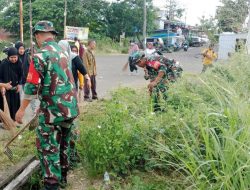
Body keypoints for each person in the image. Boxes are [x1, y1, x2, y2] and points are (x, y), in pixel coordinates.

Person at [15, 20, 79, 190]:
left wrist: (21, 110)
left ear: (38, 35)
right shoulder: (64, 52)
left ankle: (52, 185)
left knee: (48, 148)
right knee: (64, 144)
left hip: (52, 113)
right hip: (70, 109)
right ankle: (63, 179)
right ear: (52, 35)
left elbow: (31, 87)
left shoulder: (39, 56)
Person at [0, 47, 22, 120]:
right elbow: (0, 77)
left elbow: (21, 75)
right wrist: (3, 86)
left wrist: (19, 84)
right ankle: (6, 121)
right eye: (11, 57)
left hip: (15, 89)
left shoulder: (19, 63)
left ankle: (14, 120)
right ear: (8, 56)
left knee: (15, 105)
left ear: (17, 56)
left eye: (15, 57)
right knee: (6, 106)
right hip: (6, 89)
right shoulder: (3, 64)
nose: (13, 59)